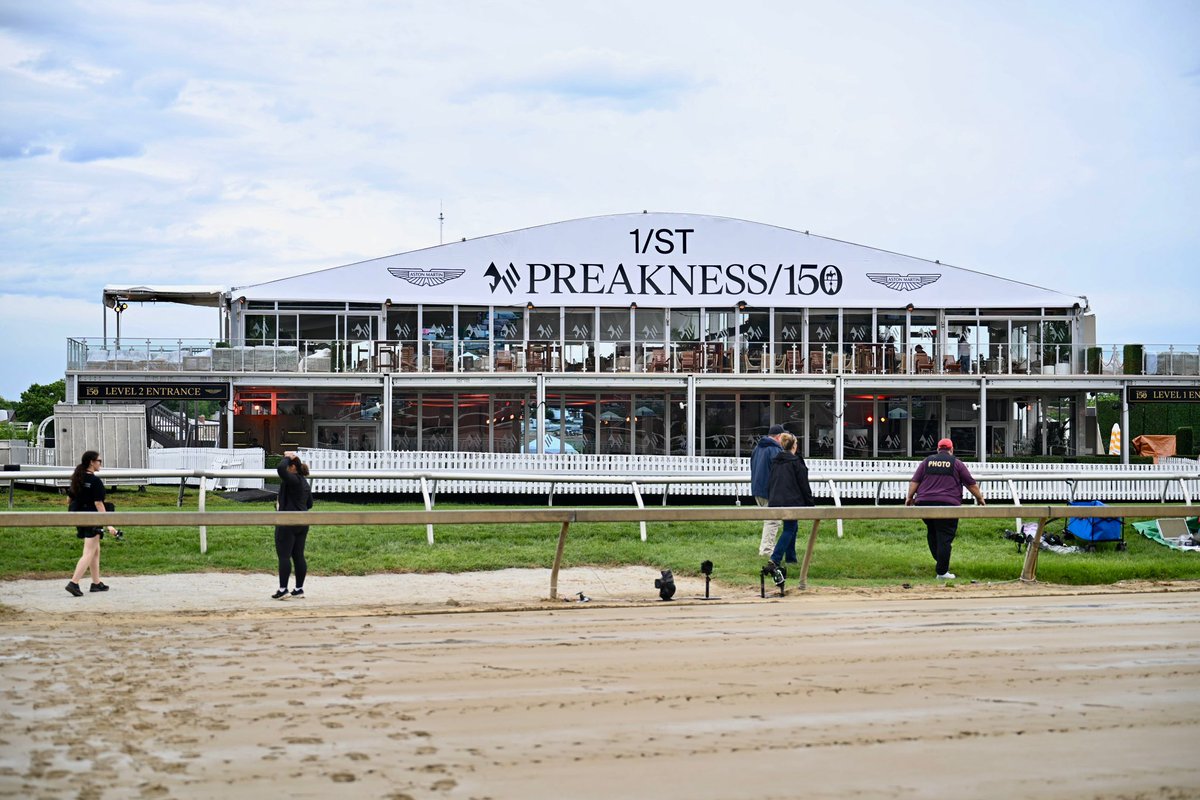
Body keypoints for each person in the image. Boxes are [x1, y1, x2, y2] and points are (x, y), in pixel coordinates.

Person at [905, 438, 986, 579]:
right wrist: (980, 498)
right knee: (944, 537)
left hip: (925, 504)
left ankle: (941, 563)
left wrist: (909, 497)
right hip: (948, 505)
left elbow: (914, 481)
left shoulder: (927, 462)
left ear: (938, 449)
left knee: (933, 532)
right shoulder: (956, 463)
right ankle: (942, 572)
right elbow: (971, 484)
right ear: (951, 449)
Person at [65, 450, 119, 597]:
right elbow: (98, 504)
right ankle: (74, 582)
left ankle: (96, 583)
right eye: (99, 461)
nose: (100, 463)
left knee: (95, 550)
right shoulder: (95, 481)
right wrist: (109, 525)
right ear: (91, 462)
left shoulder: (78, 478)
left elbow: (69, 500)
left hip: (80, 518)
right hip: (93, 519)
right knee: (89, 552)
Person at [764, 432, 816, 582]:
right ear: (794, 446)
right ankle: (775, 559)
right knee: (790, 529)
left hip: (776, 500)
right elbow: (804, 485)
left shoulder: (776, 461)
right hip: (791, 501)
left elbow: (771, 482)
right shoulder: (796, 462)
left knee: (792, 527)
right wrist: (810, 503)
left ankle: (791, 558)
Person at [272, 451, 313, 599]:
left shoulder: (293, 480)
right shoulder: (304, 482)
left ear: (293, 467)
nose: (286, 468)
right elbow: (310, 504)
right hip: (302, 522)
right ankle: (299, 589)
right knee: (298, 556)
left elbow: (280, 470)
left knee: (284, 556)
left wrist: (287, 457)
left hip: (287, 522)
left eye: (288, 465)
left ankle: (283, 589)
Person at [750, 423, 786, 555]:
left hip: (758, 489)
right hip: (770, 490)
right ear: (778, 436)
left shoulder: (757, 448)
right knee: (773, 520)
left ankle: (767, 547)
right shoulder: (775, 450)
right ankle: (766, 550)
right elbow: (779, 472)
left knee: (769, 520)